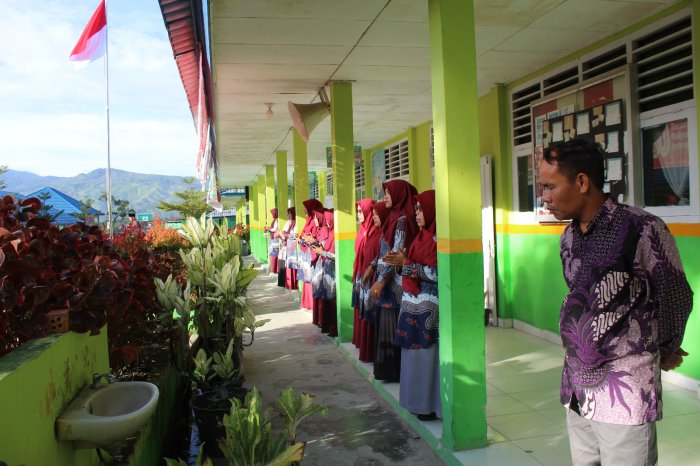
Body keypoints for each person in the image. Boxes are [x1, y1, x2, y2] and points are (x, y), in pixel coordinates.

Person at [538, 138, 693, 466]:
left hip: (624, 394)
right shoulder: (568, 238)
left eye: (550, 186)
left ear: (582, 182)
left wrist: (665, 348)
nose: (545, 197)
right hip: (577, 388)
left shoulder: (641, 229)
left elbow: (675, 294)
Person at [385, 190, 441, 421]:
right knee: (412, 356)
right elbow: (411, 265)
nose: (417, 214)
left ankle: (428, 406)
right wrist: (403, 262)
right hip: (412, 306)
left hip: (428, 309)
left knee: (427, 358)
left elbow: (438, 274)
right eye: (416, 209)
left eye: (421, 209)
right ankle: (415, 403)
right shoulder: (420, 237)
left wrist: (406, 263)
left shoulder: (439, 240)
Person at [365, 179, 418, 382]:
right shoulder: (393, 218)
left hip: (395, 285)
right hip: (386, 281)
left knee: (391, 323)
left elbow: (396, 254)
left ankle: (394, 371)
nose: (385, 196)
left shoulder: (403, 220)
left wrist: (382, 280)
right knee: (385, 323)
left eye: (388, 193)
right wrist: (372, 266)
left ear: (399, 195)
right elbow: (384, 250)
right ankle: (388, 371)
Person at [359, 201, 389, 363]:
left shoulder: (386, 234)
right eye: (374, 214)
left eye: (377, 214)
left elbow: (387, 258)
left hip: (382, 283)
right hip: (371, 278)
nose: (374, 217)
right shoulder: (374, 233)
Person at [352, 199, 374, 351]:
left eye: (361, 211)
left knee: (368, 310)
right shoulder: (361, 230)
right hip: (360, 273)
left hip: (369, 275)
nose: (358, 214)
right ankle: (360, 342)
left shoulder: (373, 230)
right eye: (357, 211)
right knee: (360, 308)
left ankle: (368, 347)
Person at [312, 209, 337, 337]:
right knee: (327, 299)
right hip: (327, 271)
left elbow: (335, 255)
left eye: (328, 220)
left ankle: (333, 328)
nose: (326, 222)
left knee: (332, 300)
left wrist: (322, 252)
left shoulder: (335, 234)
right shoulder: (331, 232)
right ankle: (328, 327)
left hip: (333, 272)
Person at [298, 199, 324, 311]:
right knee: (306, 279)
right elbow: (304, 235)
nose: (305, 211)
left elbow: (313, 238)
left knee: (310, 279)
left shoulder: (314, 222)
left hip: (311, 254)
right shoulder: (308, 221)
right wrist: (300, 239)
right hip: (305, 255)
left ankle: (311, 304)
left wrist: (303, 240)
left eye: (306, 209)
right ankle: (306, 303)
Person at [282, 207, 299, 290]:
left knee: (293, 264)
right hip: (289, 246)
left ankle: (294, 284)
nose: (287, 215)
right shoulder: (290, 223)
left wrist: (286, 234)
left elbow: (295, 234)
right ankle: (289, 284)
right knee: (289, 263)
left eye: (289, 213)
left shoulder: (296, 223)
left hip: (293, 247)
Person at [264, 208, 280, 274]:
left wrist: (268, 229)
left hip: (275, 239)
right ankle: (274, 269)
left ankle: (275, 269)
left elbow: (275, 229)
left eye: (272, 213)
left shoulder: (277, 220)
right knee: (274, 253)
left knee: (274, 254)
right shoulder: (275, 220)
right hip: (274, 238)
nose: (272, 215)